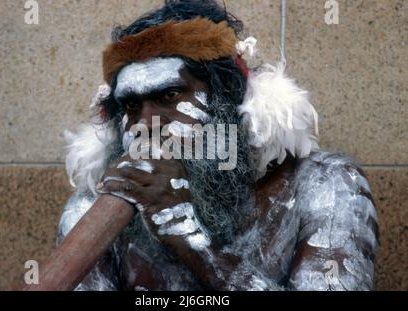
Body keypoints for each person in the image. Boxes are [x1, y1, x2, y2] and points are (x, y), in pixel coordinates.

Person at [57, 0, 378, 291]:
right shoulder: (90, 205)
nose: (145, 124)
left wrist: (189, 238)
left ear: (229, 98)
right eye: (130, 106)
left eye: (169, 96)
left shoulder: (326, 186)